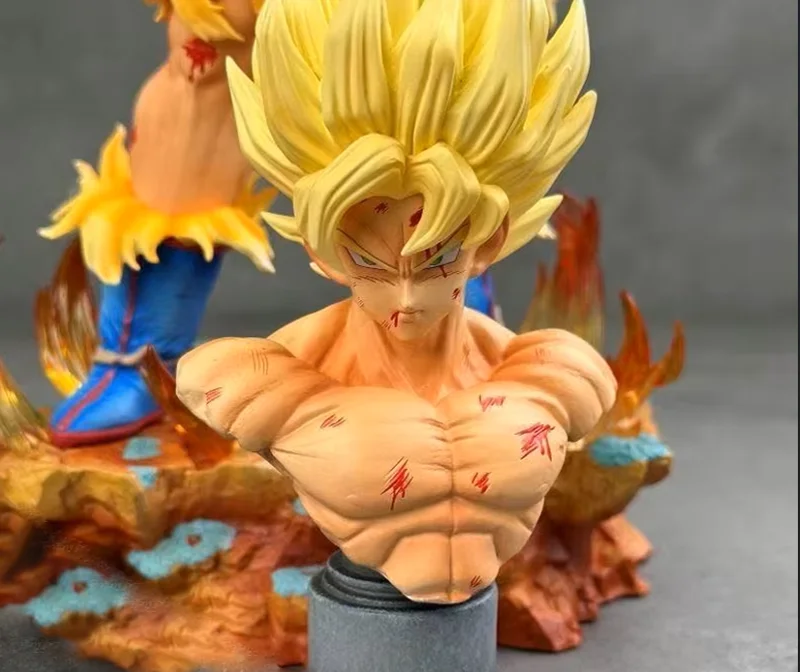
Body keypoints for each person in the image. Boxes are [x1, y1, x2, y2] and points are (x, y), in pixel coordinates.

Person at [176, 0, 617, 603]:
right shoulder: (257, 378)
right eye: (371, 265)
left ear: (488, 243)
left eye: (436, 263)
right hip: (359, 614)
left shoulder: (549, 372)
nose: (406, 298)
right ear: (322, 251)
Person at [39, 0, 275, 447]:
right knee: (148, 226)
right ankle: (140, 365)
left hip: (201, 147)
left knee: (173, 226)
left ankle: (142, 367)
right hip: (172, 137)